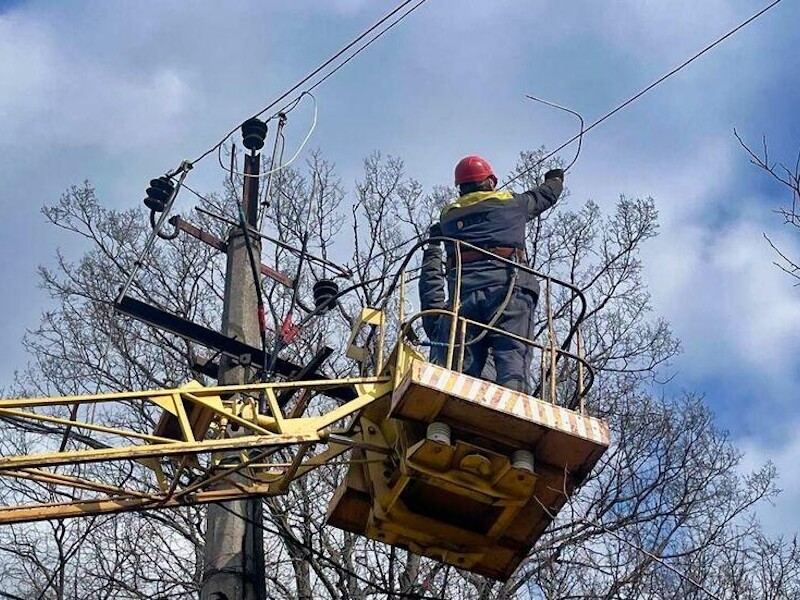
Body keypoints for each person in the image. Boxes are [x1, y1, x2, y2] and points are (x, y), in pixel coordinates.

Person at [438, 154, 564, 393]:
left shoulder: (448, 217)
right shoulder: (511, 204)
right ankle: (514, 402)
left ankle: (458, 407)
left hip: (464, 299)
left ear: (460, 189)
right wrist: (555, 180)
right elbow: (544, 196)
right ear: (491, 182)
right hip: (508, 291)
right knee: (512, 354)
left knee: (465, 363)